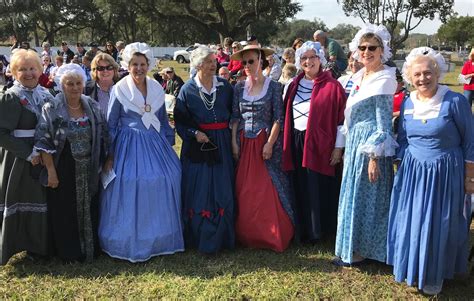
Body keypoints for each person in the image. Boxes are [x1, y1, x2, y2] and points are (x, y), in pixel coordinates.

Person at [386, 47, 474, 295]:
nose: (423, 78)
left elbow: (470, 142)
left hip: (445, 170)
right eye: (417, 75)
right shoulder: (407, 102)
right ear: (409, 77)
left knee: (439, 221)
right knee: (412, 220)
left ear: (437, 72)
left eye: (427, 72)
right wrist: (402, 163)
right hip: (413, 171)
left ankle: (434, 275)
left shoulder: (454, 101)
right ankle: (412, 269)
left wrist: (470, 178)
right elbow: (403, 138)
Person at [99, 42, 183, 262]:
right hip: (128, 144)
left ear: (149, 65)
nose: (138, 68)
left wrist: (168, 144)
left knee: (167, 176)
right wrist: (110, 154)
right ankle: (128, 239)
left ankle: (160, 236)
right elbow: (111, 123)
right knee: (131, 181)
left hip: (154, 142)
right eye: (134, 64)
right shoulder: (120, 89)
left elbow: (163, 120)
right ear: (128, 65)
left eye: (142, 64)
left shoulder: (156, 88)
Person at [334, 24, 397, 266]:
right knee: (354, 195)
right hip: (355, 142)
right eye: (362, 47)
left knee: (366, 198)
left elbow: (383, 126)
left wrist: (373, 156)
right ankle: (354, 247)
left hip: (370, 145)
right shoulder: (362, 76)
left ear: (382, 51)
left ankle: (366, 250)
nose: (367, 52)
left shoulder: (384, 79)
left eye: (372, 47)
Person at [35, 63, 107, 263]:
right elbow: (43, 140)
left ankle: (90, 251)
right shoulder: (52, 107)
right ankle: (69, 252)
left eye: (78, 83)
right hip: (64, 166)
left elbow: (103, 135)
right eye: (69, 83)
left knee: (90, 207)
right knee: (65, 210)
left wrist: (105, 160)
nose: (74, 87)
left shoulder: (91, 106)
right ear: (61, 84)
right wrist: (51, 171)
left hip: (88, 167)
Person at [230, 45, 294, 252]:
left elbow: (278, 117)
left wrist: (269, 143)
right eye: (244, 62)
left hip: (265, 143)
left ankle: (270, 235)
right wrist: (233, 141)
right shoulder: (238, 88)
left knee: (266, 190)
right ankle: (247, 234)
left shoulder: (274, 87)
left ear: (261, 61)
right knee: (245, 190)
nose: (247, 66)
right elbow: (235, 117)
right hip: (244, 143)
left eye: (251, 61)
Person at [282, 41, 346, 243]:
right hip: (296, 140)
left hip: (321, 144)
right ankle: (302, 230)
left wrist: (338, 147)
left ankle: (320, 232)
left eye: (312, 57)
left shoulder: (333, 86)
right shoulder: (293, 84)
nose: (308, 61)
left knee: (317, 187)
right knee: (299, 185)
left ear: (321, 59)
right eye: (304, 58)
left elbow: (341, 120)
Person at [174, 46, 235, 254]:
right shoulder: (187, 89)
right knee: (199, 188)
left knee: (222, 185)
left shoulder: (225, 87)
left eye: (214, 60)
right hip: (198, 145)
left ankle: (223, 236)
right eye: (209, 61)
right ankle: (199, 235)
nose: (214, 64)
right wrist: (194, 133)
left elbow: (234, 115)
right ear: (198, 64)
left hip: (222, 143)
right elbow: (180, 121)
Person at [0, 49, 55, 265]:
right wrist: (28, 153)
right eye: (22, 69)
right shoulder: (11, 97)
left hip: (45, 155)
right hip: (19, 159)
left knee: (41, 198)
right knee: (21, 197)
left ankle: (39, 247)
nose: (29, 73)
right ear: (14, 72)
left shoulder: (47, 95)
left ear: (40, 70)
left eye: (32, 68)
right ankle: (16, 244)